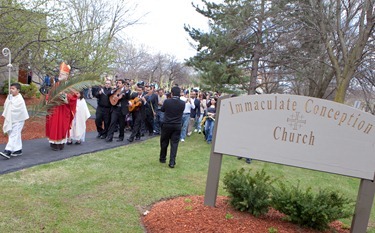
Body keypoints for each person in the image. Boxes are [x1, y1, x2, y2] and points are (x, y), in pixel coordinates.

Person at [45, 62, 78, 151]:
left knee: (61, 126)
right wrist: (48, 98)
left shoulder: (69, 86)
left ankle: (61, 143)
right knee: (53, 125)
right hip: (54, 109)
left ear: (67, 76)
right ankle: (53, 143)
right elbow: (50, 94)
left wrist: (65, 96)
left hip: (63, 110)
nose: (60, 75)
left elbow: (74, 97)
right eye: (60, 74)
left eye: (62, 74)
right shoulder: (56, 85)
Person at [0, 83, 29, 159]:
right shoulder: (9, 97)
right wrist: (8, 103)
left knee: (14, 134)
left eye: (13, 89)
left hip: (18, 120)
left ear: (18, 90)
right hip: (11, 119)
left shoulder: (20, 99)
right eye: (10, 88)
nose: (11, 90)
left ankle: (8, 151)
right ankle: (17, 150)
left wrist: (11, 104)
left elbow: (17, 109)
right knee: (14, 134)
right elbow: (6, 106)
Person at [159, 86, 185, 168]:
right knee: (174, 143)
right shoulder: (182, 103)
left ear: (172, 93)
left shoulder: (167, 101)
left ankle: (163, 158)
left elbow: (162, 109)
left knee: (164, 142)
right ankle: (172, 162)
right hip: (177, 124)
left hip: (167, 124)